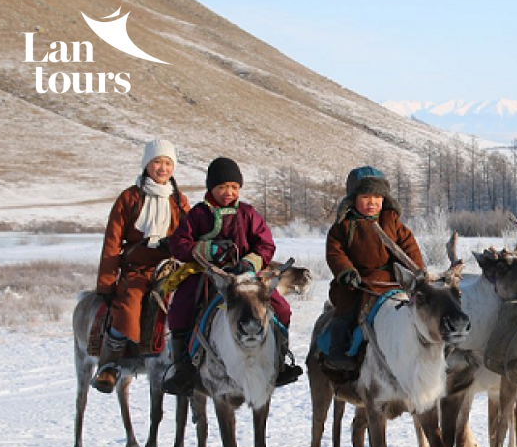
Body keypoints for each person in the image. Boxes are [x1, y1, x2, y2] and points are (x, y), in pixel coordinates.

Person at [161, 157, 302, 395]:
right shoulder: (197, 214)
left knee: (282, 308)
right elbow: (179, 244)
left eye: (234, 187)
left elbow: (265, 244)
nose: (228, 192)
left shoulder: (247, 213)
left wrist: (249, 262)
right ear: (211, 188)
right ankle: (183, 367)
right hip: (206, 276)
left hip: (246, 277)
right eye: (222, 187)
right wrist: (209, 250)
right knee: (180, 309)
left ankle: (280, 359)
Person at [93, 139, 191, 393]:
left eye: (168, 163)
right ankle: (109, 366)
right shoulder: (130, 198)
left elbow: (191, 236)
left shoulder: (179, 201)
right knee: (129, 305)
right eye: (157, 161)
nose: (163, 168)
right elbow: (112, 242)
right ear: (147, 164)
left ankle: (188, 364)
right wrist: (106, 282)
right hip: (137, 269)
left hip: (170, 268)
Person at [323, 166, 424, 371]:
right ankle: (338, 351)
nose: (372, 202)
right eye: (366, 196)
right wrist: (346, 272)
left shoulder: (392, 222)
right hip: (356, 282)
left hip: (392, 280)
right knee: (346, 308)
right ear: (353, 198)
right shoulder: (344, 226)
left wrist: (417, 273)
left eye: (378, 196)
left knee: (419, 307)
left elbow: (409, 248)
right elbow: (336, 252)